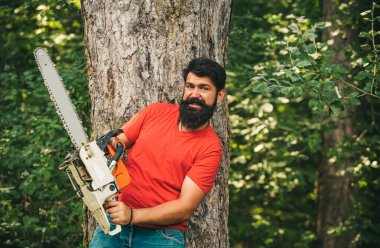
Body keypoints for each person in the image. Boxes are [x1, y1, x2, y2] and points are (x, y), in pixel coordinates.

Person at [89, 58, 226, 248]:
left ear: (219, 95)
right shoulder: (156, 112)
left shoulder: (210, 147)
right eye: (190, 86)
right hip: (114, 225)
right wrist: (105, 146)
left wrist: (132, 216)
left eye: (204, 88)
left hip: (161, 237)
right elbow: (118, 142)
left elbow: (185, 208)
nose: (195, 94)